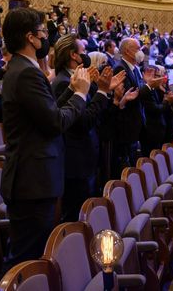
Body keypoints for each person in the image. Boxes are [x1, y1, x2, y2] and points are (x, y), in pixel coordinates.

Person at [0, 8, 92, 267]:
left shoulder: (22, 68)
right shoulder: (26, 72)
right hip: (32, 181)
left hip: (33, 179)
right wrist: (81, 95)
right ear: (31, 38)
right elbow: (55, 123)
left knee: (29, 255)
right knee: (26, 260)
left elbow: (46, 113)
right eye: (42, 32)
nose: (46, 38)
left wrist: (71, 91)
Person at [51, 34, 117, 221]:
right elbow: (83, 122)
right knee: (75, 217)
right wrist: (102, 91)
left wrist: (104, 90)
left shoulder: (79, 78)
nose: (86, 54)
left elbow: (95, 110)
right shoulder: (64, 82)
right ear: (74, 55)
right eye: (83, 51)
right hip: (75, 161)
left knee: (86, 213)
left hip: (85, 157)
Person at [113, 37, 146, 164]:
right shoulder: (120, 68)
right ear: (127, 51)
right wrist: (148, 87)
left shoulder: (135, 68)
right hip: (126, 125)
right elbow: (130, 95)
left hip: (136, 123)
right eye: (137, 49)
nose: (140, 51)